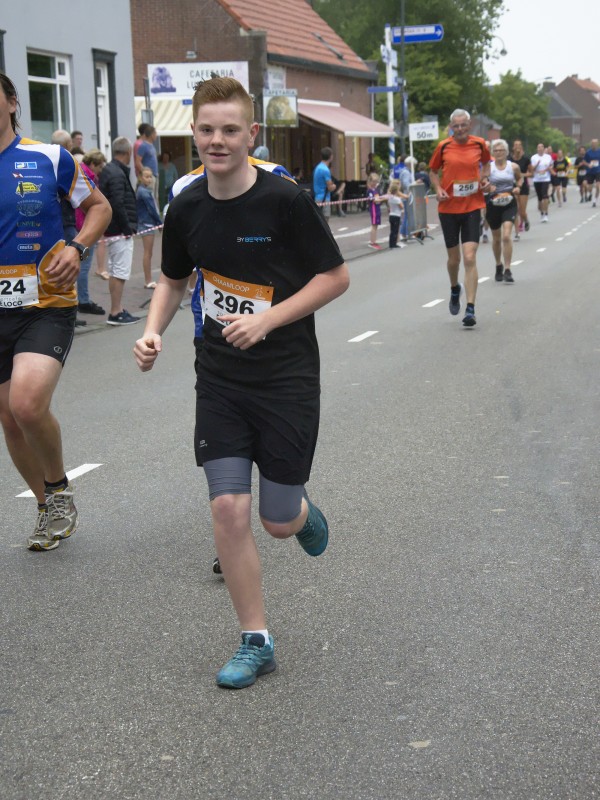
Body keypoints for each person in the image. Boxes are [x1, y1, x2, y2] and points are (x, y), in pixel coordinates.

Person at [133, 76, 349, 689]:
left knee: (276, 519)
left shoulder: (285, 200)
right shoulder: (186, 206)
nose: (218, 140)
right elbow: (174, 279)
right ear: (193, 133)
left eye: (230, 130)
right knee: (229, 508)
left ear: (251, 134)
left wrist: (268, 320)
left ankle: (299, 514)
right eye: (207, 130)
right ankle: (256, 640)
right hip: (220, 377)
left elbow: (334, 278)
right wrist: (152, 331)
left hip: (286, 377)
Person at [0, 73, 111, 550]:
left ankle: (59, 490)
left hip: (45, 303)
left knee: (26, 403)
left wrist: (77, 246)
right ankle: (47, 506)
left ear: (12, 102)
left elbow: (100, 208)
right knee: (10, 419)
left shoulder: (50, 157)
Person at [429, 108, 491, 327]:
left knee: (470, 257)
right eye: (456, 126)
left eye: (463, 125)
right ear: (451, 127)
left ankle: (470, 308)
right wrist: (438, 188)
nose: (460, 129)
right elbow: (433, 171)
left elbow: (487, 164)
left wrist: (484, 178)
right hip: (448, 209)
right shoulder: (443, 146)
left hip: (472, 206)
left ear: (469, 124)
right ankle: (455, 288)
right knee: (454, 260)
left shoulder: (480, 144)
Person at [98, 136, 140, 325]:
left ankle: (118, 308)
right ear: (128, 152)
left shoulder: (110, 170)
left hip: (113, 229)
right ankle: (116, 311)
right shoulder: (117, 173)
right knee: (120, 271)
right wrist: (127, 228)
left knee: (116, 270)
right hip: (119, 231)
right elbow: (117, 202)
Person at [485, 139, 522, 283]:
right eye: (496, 150)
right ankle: (498, 265)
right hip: (493, 204)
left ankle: (507, 269)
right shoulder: (489, 167)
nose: (498, 153)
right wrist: (487, 186)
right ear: (493, 153)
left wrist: (518, 187)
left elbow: (519, 179)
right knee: (496, 239)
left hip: (509, 203)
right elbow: (481, 181)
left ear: (506, 152)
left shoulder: (513, 167)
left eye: (501, 150)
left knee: (506, 236)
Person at [76, 149, 107, 315]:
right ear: (93, 164)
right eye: (100, 166)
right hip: (85, 226)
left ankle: (82, 298)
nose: (100, 170)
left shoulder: (82, 173)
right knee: (84, 266)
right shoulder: (87, 178)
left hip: (81, 225)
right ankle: (83, 300)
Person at [136, 166, 162, 289]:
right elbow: (152, 209)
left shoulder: (144, 190)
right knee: (148, 253)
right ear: (140, 178)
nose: (149, 179)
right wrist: (159, 223)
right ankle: (148, 280)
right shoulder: (144, 192)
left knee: (148, 253)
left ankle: (148, 279)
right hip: (146, 224)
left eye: (150, 177)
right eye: (146, 177)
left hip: (146, 223)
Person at [529, 143, 553, 222]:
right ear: (537, 149)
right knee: (540, 198)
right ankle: (542, 213)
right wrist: (537, 164)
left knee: (545, 196)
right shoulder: (534, 157)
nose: (540, 148)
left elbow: (551, 165)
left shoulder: (548, 157)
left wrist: (547, 169)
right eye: (538, 147)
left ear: (543, 148)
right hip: (537, 179)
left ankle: (546, 214)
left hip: (546, 179)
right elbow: (532, 169)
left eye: (541, 147)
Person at [511, 140, 531, 233]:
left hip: (523, 186)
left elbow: (531, 173)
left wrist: (522, 175)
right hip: (512, 186)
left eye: (519, 144)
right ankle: (517, 230)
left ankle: (525, 220)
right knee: (515, 209)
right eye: (516, 145)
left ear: (521, 147)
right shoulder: (509, 160)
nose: (517, 146)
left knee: (522, 211)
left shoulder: (526, 159)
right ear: (513, 147)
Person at [312, 146, 336, 222]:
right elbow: (330, 187)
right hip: (325, 198)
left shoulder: (318, 167)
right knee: (325, 220)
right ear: (330, 156)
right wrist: (334, 186)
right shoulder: (325, 170)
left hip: (317, 197)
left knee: (318, 221)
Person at [366, 172, 384, 249]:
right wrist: (381, 199)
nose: (375, 183)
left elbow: (378, 199)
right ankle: (372, 242)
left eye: (376, 181)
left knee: (376, 225)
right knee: (374, 225)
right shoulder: (370, 191)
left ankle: (374, 241)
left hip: (377, 209)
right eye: (373, 181)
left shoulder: (376, 190)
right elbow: (374, 200)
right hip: (373, 209)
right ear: (370, 181)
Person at [386, 180, 407, 248]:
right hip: (396, 215)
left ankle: (391, 243)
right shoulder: (397, 199)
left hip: (391, 215)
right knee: (395, 230)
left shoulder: (390, 198)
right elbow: (401, 206)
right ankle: (394, 244)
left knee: (392, 231)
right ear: (396, 191)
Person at [584, 138, 600, 207]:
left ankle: (594, 200)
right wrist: (588, 165)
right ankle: (590, 193)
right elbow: (584, 161)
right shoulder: (588, 152)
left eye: (595, 143)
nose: (594, 145)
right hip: (590, 171)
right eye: (592, 143)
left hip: (598, 171)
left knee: (598, 186)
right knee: (589, 187)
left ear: (597, 144)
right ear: (591, 144)